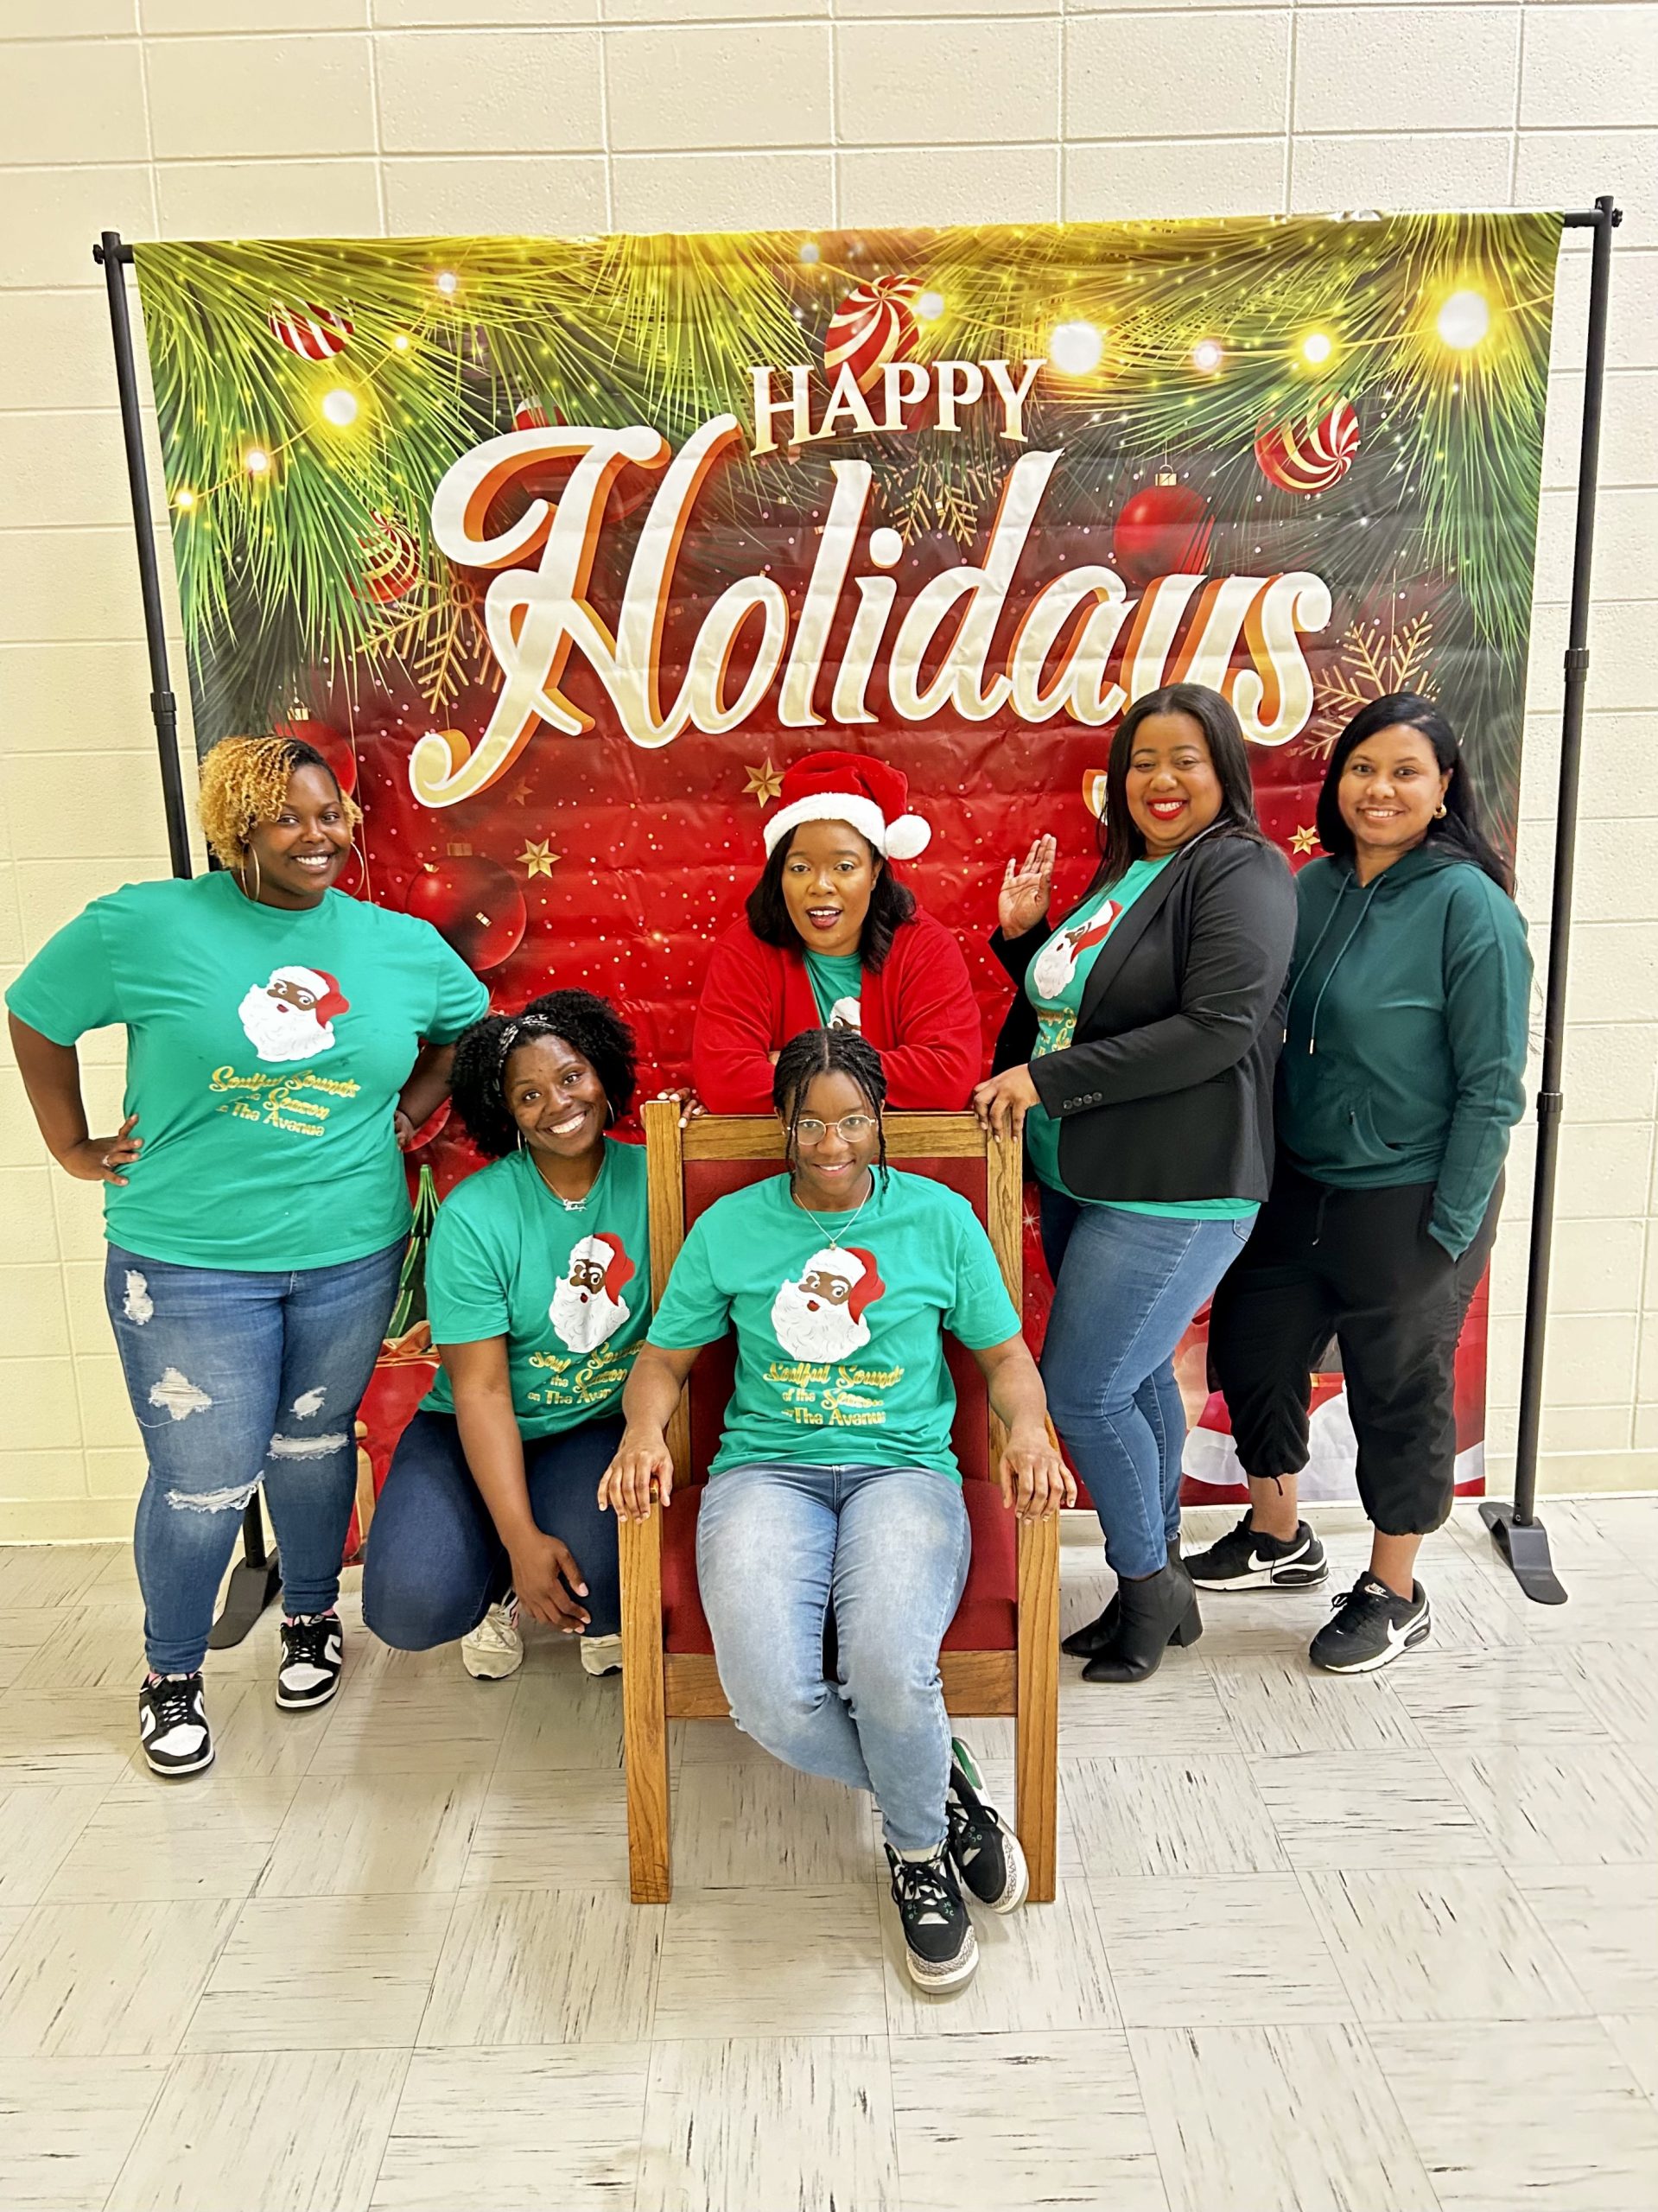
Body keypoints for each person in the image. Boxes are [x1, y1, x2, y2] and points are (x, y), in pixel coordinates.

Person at [5, 731, 487, 1777]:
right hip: (186, 1263)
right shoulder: (144, 925)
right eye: (287, 817)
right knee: (204, 1481)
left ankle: (311, 1617)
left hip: (350, 1254)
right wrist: (71, 1145)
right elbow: (34, 1012)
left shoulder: (395, 944)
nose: (318, 835)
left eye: (330, 814)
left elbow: (467, 1027)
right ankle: (170, 1672)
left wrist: (413, 1107)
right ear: (237, 829)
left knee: (312, 1445)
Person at [601, 1027, 1073, 1992]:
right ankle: (943, 1785)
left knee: (888, 1667)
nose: (831, 1144)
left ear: (878, 1119)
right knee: (768, 1700)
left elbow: (1003, 1357)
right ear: (782, 1121)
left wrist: (1028, 1429)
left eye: (852, 1120)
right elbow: (662, 1360)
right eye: (810, 1122)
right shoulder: (731, 1226)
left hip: (903, 1472)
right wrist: (643, 1433)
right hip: (764, 1475)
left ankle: (917, 1852)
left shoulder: (937, 1219)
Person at [1196, 693, 1531, 1672]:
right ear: (1335, 782)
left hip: (1411, 1193)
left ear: (1443, 790)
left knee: (1397, 1391)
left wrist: (1447, 1227)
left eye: (1404, 772)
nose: (1378, 789)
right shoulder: (1308, 886)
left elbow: (1491, 1085)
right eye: (1361, 768)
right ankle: (1277, 1536)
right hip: (1299, 1180)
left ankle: (1394, 1589)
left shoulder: (1468, 905)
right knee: (1253, 1350)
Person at [974, 683, 1296, 1684]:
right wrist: (1026, 941)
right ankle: (1159, 1584)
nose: (1159, 779)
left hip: (1176, 1184)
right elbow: (1095, 1014)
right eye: (1141, 762)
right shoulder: (1127, 873)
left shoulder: (1240, 867)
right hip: (1089, 1174)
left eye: (1183, 758)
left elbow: (1216, 1027)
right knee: (1139, 1377)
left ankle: (1146, 1581)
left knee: (1081, 1391)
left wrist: (1044, 1082)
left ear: (1222, 770)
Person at [363, 991, 648, 1682]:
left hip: (589, 1425)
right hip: (476, 1422)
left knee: (609, 1586)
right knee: (410, 1608)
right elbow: (482, 1390)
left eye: (571, 1076)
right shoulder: (477, 1213)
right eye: (528, 1095)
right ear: (504, 1112)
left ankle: (562, 1563)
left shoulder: (656, 1179)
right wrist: (520, 1541)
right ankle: (495, 1581)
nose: (558, 1103)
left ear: (602, 1072)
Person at [691, 750, 982, 1111]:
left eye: (844, 866)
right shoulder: (745, 948)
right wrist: (879, 1075)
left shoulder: (925, 946)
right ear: (779, 875)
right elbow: (724, 1082)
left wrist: (789, 1066)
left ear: (875, 871)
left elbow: (947, 1079)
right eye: (800, 868)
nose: (821, 886)